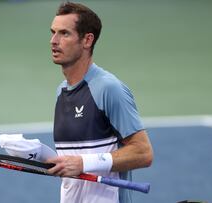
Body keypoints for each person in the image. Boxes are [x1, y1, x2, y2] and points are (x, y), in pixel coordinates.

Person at [46, 2, 153, 203]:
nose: (53, 41)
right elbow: (75, 160)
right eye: (53, 32)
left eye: (64, 34)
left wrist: (82, 163)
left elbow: (143, 152)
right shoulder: (61, 92)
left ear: (87, 40)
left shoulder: (108, 89)